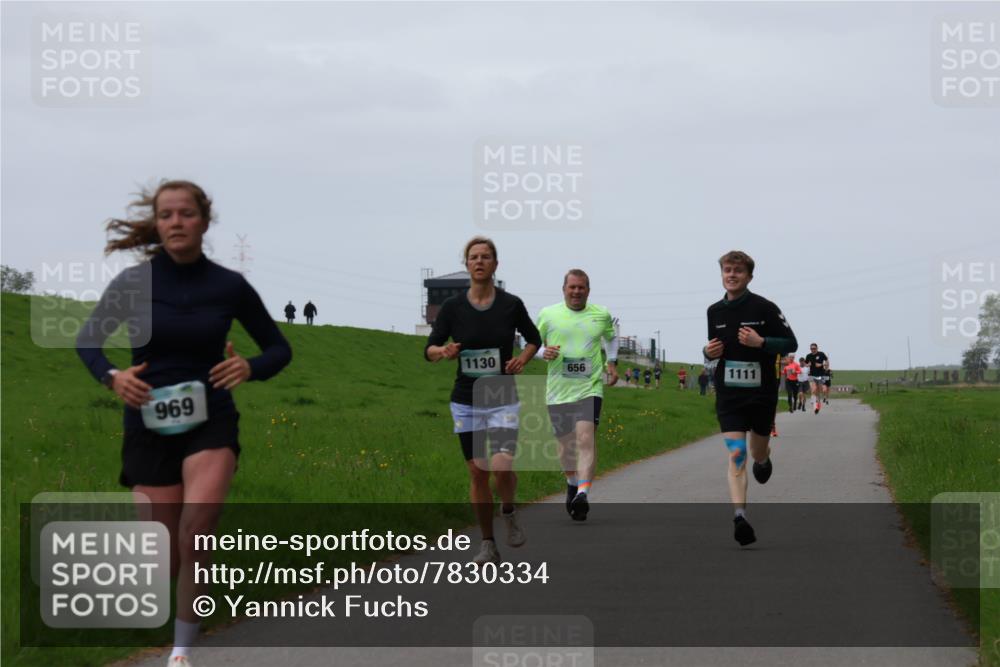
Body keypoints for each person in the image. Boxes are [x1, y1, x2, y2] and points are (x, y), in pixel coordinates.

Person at [76, 180, 292, 667]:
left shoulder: (229, 286)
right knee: (163, 554)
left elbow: (279, 348)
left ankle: (181, 652)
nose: (176, 222)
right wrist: (113, 377)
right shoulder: (134, 283)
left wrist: (250, 367)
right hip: (147, 420)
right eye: (167, 214)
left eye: (186, 213)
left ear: (204, 221)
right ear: (157, 224)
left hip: (210, 417)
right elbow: (88, 340)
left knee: (197, 531)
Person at [424, 237, 540, 564]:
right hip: (466, 400)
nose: (479, 261)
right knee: (477, 471)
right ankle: (488, 543)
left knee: (501, 466)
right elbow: (429, 349)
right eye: (473, 257)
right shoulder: (452, 308)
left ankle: (509, 510)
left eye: (485, 257)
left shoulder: (510, 304)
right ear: (466, 265)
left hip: (502, 396)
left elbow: (534, 338)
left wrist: (522, 359)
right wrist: (443, 351)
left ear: (495, 264)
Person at [703, 250, 797, 546]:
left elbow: (790, 343)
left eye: (738, 271)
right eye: (727, 270)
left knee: (755, 452)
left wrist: (762, 342)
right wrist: (707, 352)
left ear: (749, 276)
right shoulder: (714, 311)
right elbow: (713, 350)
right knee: (737, 454)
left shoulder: (765, 308)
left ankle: (764, 457)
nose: (731, 275)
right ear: (722, 274)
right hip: (729, 395)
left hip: (761, 395)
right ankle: (740, 516)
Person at [536, 269, 618, 521]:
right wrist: (542, 353)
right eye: (572, 287)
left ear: (588, 290)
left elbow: (611, 338)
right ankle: (572, 483)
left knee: (585, 438)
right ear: (564, 289)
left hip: (589, 388)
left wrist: (612, 362)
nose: (576, 291)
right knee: (565, 446)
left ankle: (582, 493)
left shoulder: (601, 314)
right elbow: (531, 344)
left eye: (581, 287)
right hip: (558, 391)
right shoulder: (548, 314)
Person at [805, 343, 830, 414]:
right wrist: (808, 365)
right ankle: (815, 407)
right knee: (813, 390)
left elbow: (827, 362)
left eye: (814, 348)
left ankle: (818, 406)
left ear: (817, 348)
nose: (813, 350)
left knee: (820, 392)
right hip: (812, 375)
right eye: (811, 349)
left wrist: (822, 365)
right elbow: (806, 364)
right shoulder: (808, 356)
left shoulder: (821, 354)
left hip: (821, 375)